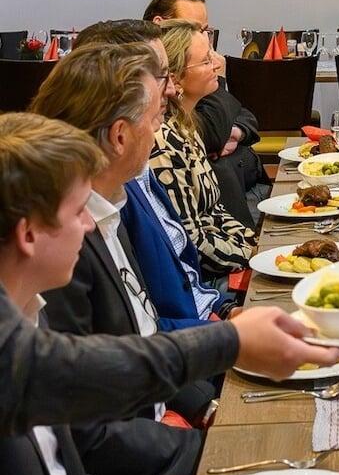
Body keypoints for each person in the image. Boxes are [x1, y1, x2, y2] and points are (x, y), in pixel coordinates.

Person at [0, 112, 339, 475]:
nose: (90, 224)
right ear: (29, 234)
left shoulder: (28, 320)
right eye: (78, 211)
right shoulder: (20, 355)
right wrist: (233, 343)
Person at [31, 42, 216, 425]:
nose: (158, 132)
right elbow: (95, 432)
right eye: (153, 120)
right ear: (119, 136)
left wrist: (206, 406)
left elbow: (144, 335)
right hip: (142, 453)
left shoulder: (113, 202)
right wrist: (201, 442)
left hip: (171, 403)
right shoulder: (64, 243)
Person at [72, 20, 236, 326]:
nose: (172, 88)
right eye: (161, 75)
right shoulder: (92, 207)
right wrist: (230, 337)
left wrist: (225, 311)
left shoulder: (132, 175)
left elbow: (184, 273)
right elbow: (136, 344)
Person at [144, 0, 270, 228]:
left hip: (242, 184)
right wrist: (219, 78)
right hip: (217, 210)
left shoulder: (195, 73)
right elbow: (212, 134)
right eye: (194, 28)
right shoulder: (159, 93)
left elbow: (245, 115)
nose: (203, 37)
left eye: (204, 30)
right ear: (161, 24)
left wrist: (235, 132)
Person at [150, 20, 256, 279]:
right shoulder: (163, 142)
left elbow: (215, 211)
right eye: (207, 60)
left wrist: (255, 243)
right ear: (175, 78)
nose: (217, 65)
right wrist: (253, 257)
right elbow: (192, 241)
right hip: (207, 279)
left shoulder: (187, 123)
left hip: (227, 258)